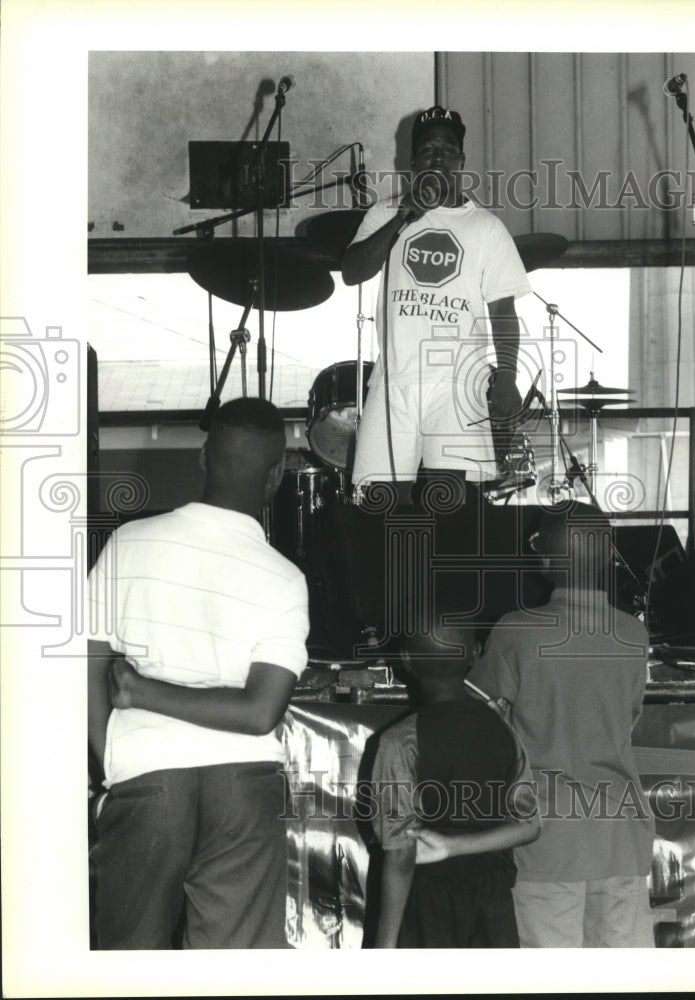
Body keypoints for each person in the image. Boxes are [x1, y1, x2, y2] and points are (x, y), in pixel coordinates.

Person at [87, 398, 309, 949]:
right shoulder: (284, 579)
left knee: (128, 974)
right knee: (236, 979)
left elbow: (84, 663)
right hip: (245, 788)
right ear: (278, 474)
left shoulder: (128, 543)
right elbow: (261, 713)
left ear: (205, 457)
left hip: (146, 777)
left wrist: (114, 742)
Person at [468, 502, 656, 948]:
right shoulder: (634, 634)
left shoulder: (516, 630)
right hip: (621, 833)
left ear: (544, 559)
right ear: (610, 556)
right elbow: (627, 714)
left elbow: (475, 711)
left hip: (546, 838)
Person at [342, 105, 532, 505]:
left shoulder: (486, 227)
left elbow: (503, 311)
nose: (439, 157)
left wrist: (508, 377)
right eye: (428, 149)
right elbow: (353, 271)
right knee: (383, 503)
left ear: (461, 161)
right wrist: (401, 220)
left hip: (457, 383)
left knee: (453, 505)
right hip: (396, 382)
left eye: (448, 149)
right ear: (412, 162)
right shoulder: (384, 213)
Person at [369, 601, 541, 948]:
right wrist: (454, 846)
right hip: (493, 905)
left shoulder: (400, 741)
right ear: (475, 654)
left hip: (427, 907)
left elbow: (401, 854)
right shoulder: (502, 729)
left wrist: (384, 948)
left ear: (406, 660)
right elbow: (530, 825)